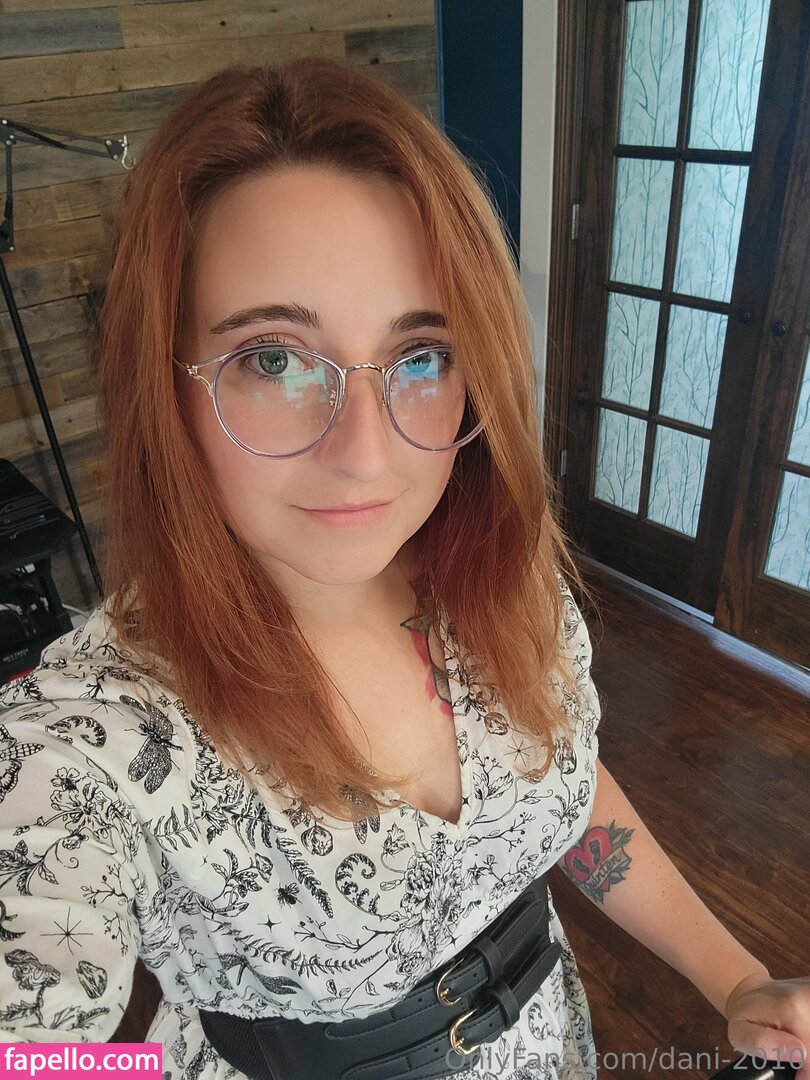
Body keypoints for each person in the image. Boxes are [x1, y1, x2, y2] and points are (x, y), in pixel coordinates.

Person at [0, 56, 807, 1080]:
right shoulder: (88, 741)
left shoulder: (498, 586)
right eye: (273, 359)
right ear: (164, 385)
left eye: (421, 355)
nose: (366, 452)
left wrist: (736, 980)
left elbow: (558, 790)